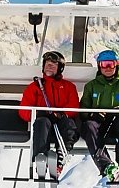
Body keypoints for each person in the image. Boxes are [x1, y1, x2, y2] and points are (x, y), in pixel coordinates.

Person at [17, 50, 80, 179]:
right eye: (47, 64)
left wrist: (60, 114)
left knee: (69, 123)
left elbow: (74, 107)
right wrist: (39, 113)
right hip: (43, 130)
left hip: (61, 128)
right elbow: (24, 111)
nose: (49, 66)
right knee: (42, 121)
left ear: (60, 68)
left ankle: (60, 156)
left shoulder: (69, 87)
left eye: (53, 64)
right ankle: (41, 159)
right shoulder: (35, 87)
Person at [79, 49, 119, 183]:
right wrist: (93, 114)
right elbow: (83, 110)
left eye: (111, 64)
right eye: (104, 64)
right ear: (99, 66)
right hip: (98, 125)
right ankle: (107, 166)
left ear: (116, 65)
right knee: (89, 126)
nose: (108, 68)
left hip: (116, 124)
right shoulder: (91, 86)